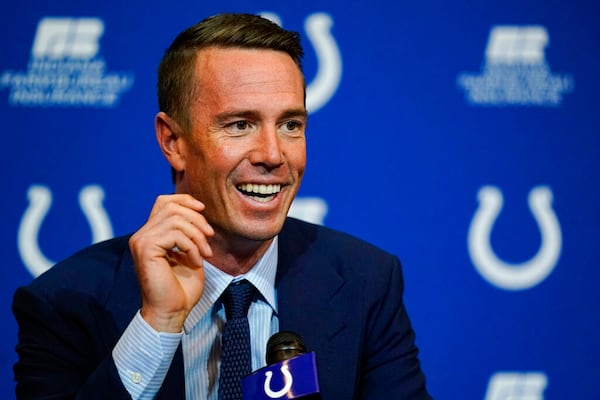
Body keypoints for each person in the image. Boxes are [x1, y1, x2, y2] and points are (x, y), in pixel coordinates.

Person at [12, 13, 432, 400]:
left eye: (290, 125)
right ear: (172, 142)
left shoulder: (365, 281)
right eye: (240, 125)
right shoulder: (65, 302)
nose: (272, 154)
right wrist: (157, 324)